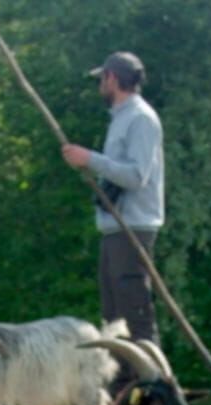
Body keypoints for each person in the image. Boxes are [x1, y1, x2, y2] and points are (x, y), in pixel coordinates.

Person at [61, 51, 163, 344]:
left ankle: (149, 372)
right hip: (115, 228)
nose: (100, 86)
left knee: (135, 318)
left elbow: (136, 176)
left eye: (101, 80)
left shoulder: (140, 118)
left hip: (132, 228)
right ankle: (122, 373)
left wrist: (90, 159)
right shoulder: (121, 118)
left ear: (113, 79)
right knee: (114, 320)